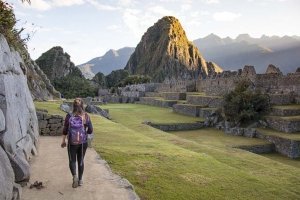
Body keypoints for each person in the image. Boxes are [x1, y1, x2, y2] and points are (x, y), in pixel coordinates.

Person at [61, 98, 93, 188]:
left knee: (72, 160)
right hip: (83, 142)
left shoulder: (69, 115)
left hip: (72, 142)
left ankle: (74, 176)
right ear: (82, 105)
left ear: (73, 106)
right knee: (81, 160)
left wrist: (63, 141)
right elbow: (90, 130)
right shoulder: (86, 116)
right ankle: (80, 180)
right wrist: (84, 132)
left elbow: (65, 130)